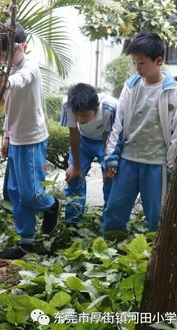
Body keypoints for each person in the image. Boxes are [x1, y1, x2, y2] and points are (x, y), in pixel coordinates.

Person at [102, 32, 177, 233]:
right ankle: (109, 248)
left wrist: (172, 162)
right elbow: (118, 124)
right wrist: (112, 157)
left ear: (158, 61)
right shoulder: (130, 86)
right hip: (128, 159)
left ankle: (154, 256)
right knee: (115, 208)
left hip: (157, 163)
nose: (137, 68)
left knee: (157, 214)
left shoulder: (174, 91)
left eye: (142, 63)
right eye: (134, 63)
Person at [0, 24, 59, 260]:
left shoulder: (30, 66)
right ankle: (26, 243)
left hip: (32, 138)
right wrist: (6, 136)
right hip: (16, 138)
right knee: (14, 192)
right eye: (1, 53)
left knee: (30, 193)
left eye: (8, 53)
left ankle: (51, 205)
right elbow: (7, 105)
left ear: (23, 47)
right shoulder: (4, 66)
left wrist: (5, 80)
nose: (4, 58)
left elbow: (19, 80)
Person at [60, 83, 118, 225]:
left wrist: (107, 164)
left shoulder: (110, 107)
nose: (80, 119)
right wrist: (76, 166)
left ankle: (109, 225)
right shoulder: (68, 104)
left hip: (105, 142)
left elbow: (108, 136)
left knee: (111, 178)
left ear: (96, 106)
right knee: (74, 178)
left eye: (85, 115)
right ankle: (73, 224)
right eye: (77, 115)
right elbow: (73, 134)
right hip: (82, 140)